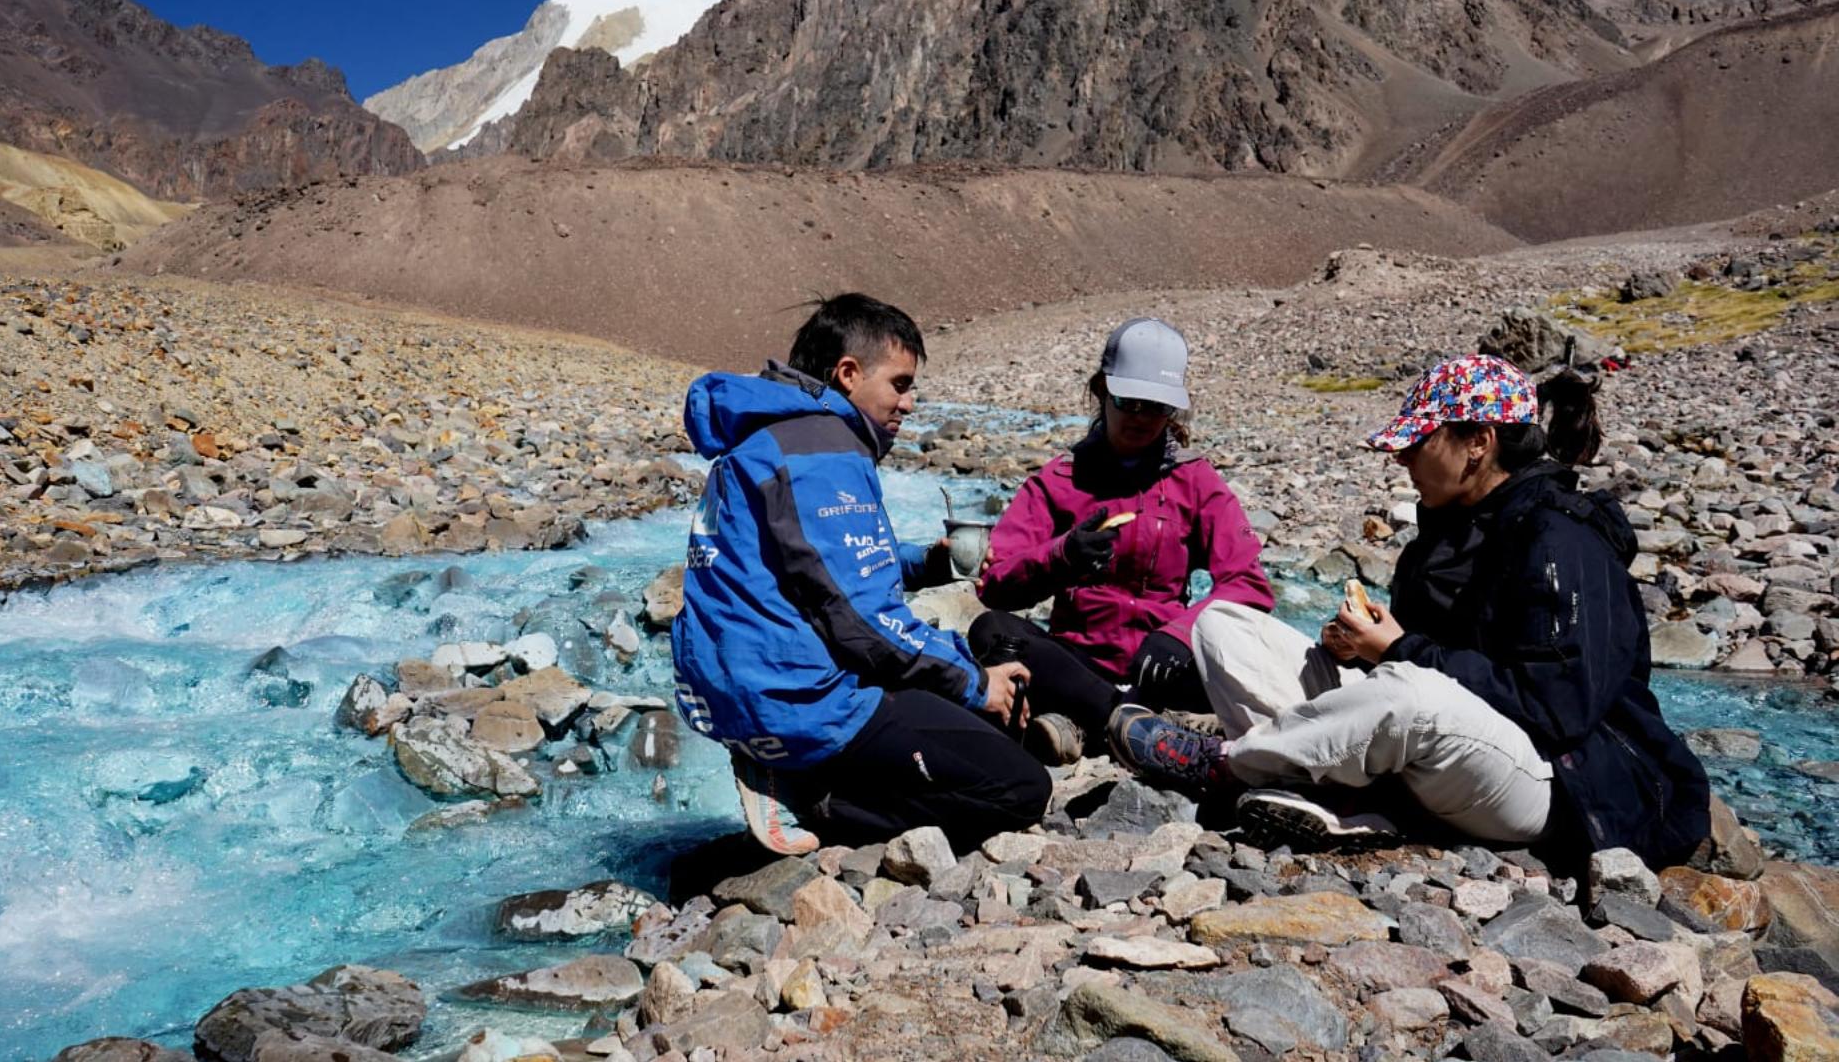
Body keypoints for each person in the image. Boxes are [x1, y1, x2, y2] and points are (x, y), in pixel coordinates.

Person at [1108, 354, 1711, 870]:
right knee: (1223, 627)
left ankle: (1228, 767)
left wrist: (1397, 650)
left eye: (1419, 443)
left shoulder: (1561, 541)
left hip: (1554, 779)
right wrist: (1356, 646)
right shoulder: (1445, 533)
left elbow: (1556, 709)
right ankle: (1348, 801)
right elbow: (1416, 662)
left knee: (1412, 696)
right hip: (1441, 752)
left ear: (1480, 443)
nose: (1403, 459)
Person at [672, 293, 1051, 855]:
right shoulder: (822, 452)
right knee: (1020, 788)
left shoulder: (775, 438)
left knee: (968, 721)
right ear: (848, 374)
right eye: (900, 384)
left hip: (734, 690)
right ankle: (815, 797)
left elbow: (817, 565)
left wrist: (928, 563)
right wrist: (974, 682)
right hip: (793, 699)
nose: (910, 403)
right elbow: (865, 620)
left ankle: (795, 770)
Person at [970, 317, 1275, 764]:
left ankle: (1087, 725)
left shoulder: (1196, 480)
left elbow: (1249, 584)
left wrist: (1182, 634)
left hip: (1165, 665)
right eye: (1126, 401)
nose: (1139, 417)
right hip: (1079, 660)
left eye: (1155, 406)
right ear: (1100, 392)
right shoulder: (1058, 480)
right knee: (990, 630)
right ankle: (1137, 726)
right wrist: (1061, 556)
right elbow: (995, 583)